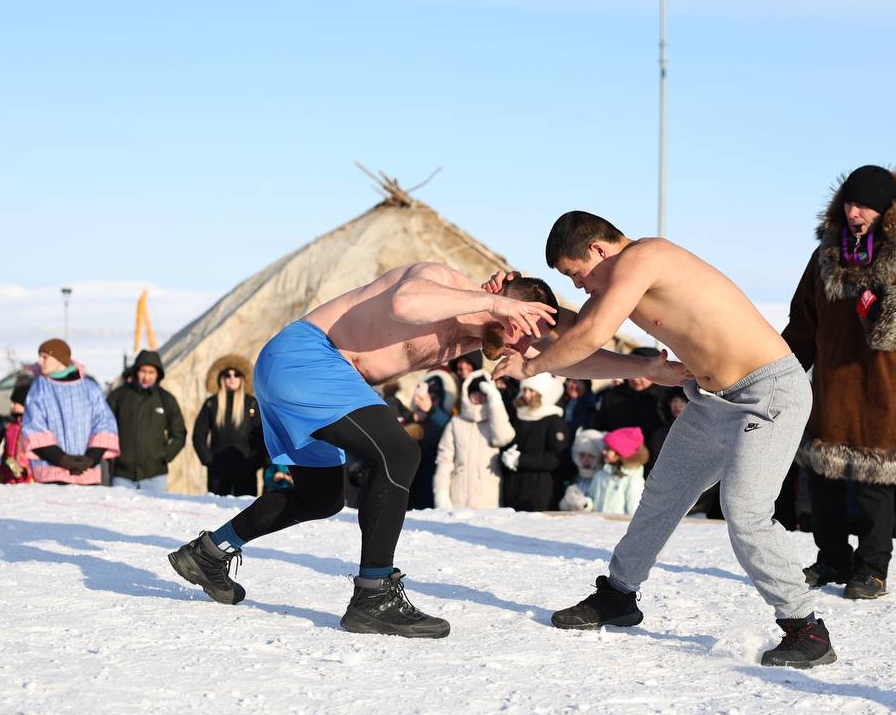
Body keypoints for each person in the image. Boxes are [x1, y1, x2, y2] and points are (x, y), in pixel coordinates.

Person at [167, 261, 652, 640]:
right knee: (399, 455)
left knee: (320, 497)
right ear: (502, 299)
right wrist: (502, 308)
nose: (521, 344)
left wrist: (658, 370)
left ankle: (209, 552)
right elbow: (404, 302)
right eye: (521, 326)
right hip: (309, 356)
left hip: (310, 373)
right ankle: (373, 595)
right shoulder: (442, 280)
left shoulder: (479, 332)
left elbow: (574, 352)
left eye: (529, 336)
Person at [493, 211, 833, 668]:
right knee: (662, 496)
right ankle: (618, 595)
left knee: (746, 510)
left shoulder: (645, 256)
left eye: (576, 274)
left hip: (769, 393)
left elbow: (591, 335)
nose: (578, 286)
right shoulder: (618, 282)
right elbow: (574, 340)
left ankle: (806, 628)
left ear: (598, 249)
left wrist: (530, 367)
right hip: (713, 400)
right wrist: (516, 301)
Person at [783, 165, 896, 600]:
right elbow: (803, 320)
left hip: (886, 389)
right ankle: (832, 559)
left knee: (875, 485)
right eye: (849, 202)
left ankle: (872, 569)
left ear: (886, 210)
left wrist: (891, 309)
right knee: (822, 478)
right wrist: (781, 368)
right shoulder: (828, 253)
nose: (853, 212)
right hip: (832, 385)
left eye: (863, 206)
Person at [22, 339, 120, 485]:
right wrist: (64, 460)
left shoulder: (90, 388)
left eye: (44, 357)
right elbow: (34, 428)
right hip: (51, 475)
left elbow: (104, 425)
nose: (39, 361)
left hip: (87, 475)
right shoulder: (39, 389)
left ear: (59, 358)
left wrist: (90, 460)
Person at [433, 369, 515, 510]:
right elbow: (444, 461)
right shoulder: (456, 422)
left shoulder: (494, 421)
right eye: (474, 393)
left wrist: (495, 399)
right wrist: (441, 493)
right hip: (458, 498)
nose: (478, 397)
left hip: (488, 498)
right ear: (467, 394)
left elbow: (503, 438)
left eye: (483, 394)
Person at [108, 349, 186, 492]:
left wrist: (164, 455)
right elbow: (105, 428)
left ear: (158, 374)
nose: (146, 377)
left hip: (155, 476)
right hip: (122, 475)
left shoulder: (166, 399)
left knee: (152, 514)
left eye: (151, 372)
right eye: (143, 371)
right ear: (136, 371)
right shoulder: (118, 397)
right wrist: (116, 456)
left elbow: (179, 433)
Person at [192, 356, 264, 496]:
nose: (232, 378)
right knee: (217, 509)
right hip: (218, 469)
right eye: (227, 374)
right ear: (221, 378)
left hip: (245, 468)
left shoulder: (252, 403)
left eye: (236, 374)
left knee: (245, 510)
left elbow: (261, 437)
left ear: (242, 378)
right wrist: (208, 460)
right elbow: (198, 435)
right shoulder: (211, 404)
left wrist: (254, 463)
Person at [499, 372, 571, 511]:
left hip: (540, 489)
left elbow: (555, 459)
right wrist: (507, 455)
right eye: (524, 390)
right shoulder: (519, 415)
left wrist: (521, 460)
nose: (526, 395)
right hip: (515, 485)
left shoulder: (554, 421)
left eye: (531, 391)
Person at [408, 372, 455, 509]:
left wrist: (431, 411)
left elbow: (447, 426)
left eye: (434, 396)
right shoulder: (413, 420)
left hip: (432, 488)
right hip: (412, 487)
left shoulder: (445, 419)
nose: (429, 400)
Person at [588, 426, 648, 516]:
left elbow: (634, 513)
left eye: (608, 449)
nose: (604, 452)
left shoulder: (633, 480)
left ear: (621, 453)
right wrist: (584, 503)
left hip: (618, 528)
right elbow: (592, 499)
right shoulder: (600, 475)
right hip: (598, 528)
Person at [0, 375, 35, 484]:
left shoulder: (34, 428)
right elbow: (6, 455)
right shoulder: (11, 427)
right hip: (10, 481)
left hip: (29, 483)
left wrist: (25, 472)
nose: (12, 406)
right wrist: (1, 474)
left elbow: (39, 459)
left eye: (16, 402)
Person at [559, 428, 606, 511]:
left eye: (591, 456)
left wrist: (586, 504)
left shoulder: (602, 478)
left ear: (599, 457)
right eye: (582, 455)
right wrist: (568, 501)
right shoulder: (575, 477)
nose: (586, 460)